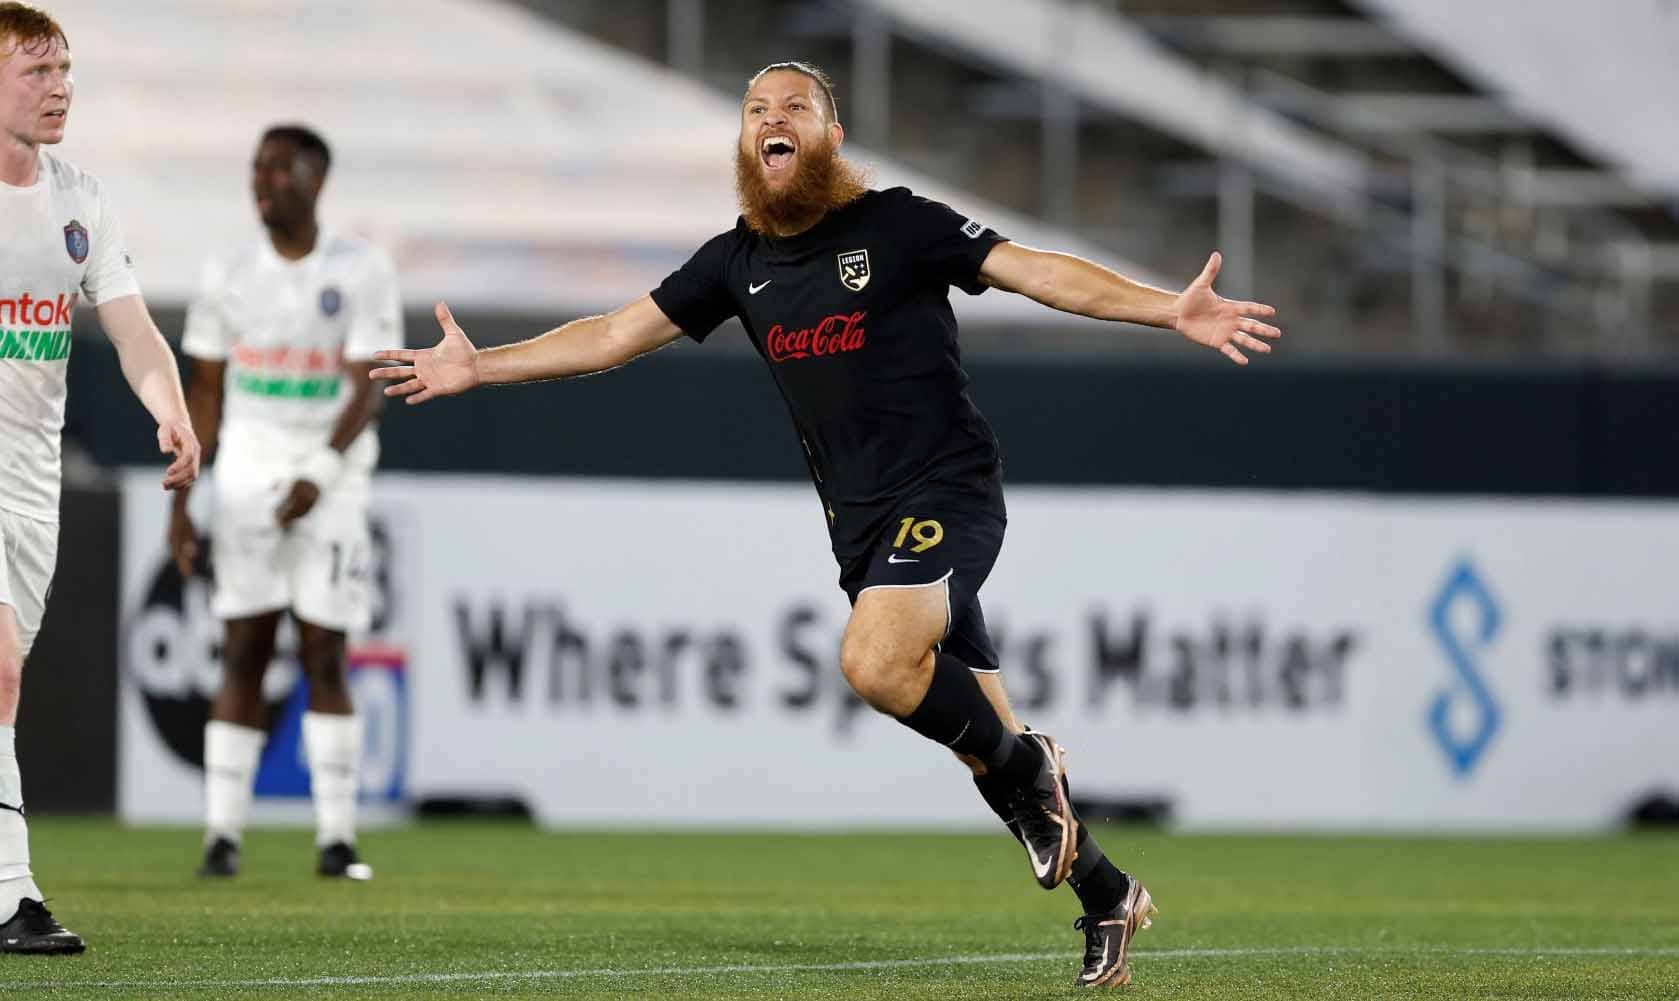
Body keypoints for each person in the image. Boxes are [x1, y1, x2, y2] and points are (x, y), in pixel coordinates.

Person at [373, 61, 1280, 988]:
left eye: (794, 107)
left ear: (829, 135)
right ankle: (1108, 892)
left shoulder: (895, 224)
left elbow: (1036, 273)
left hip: (947, 492)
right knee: (996, 767)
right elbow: (611, 334)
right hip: (863, 532)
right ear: (743, 141)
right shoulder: (736, 262)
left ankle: (1033, 772)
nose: (774, 119)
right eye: (756, 110)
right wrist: (480, 366)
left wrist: (1165, 307)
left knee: (874, 662)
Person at [0, 2, 201, 954]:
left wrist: (168, 402)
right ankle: (10, 895)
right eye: (36, 70)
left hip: (31, 478)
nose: (59, 88)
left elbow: (131, 328)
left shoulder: (79, 199)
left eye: (65, 70)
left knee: (3, 678)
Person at [169, 124, 396, 882]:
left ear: (315, 181)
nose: (262, 182)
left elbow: (368, 383)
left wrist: (324, 472)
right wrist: (184, 495)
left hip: (329, 477)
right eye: (257, 168)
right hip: (248, 474)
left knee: (326, 648)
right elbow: (205, 388)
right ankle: (221, 836)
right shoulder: (228, 268)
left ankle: (336, 839)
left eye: (278, 169)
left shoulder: (361, 268)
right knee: (243, 646)